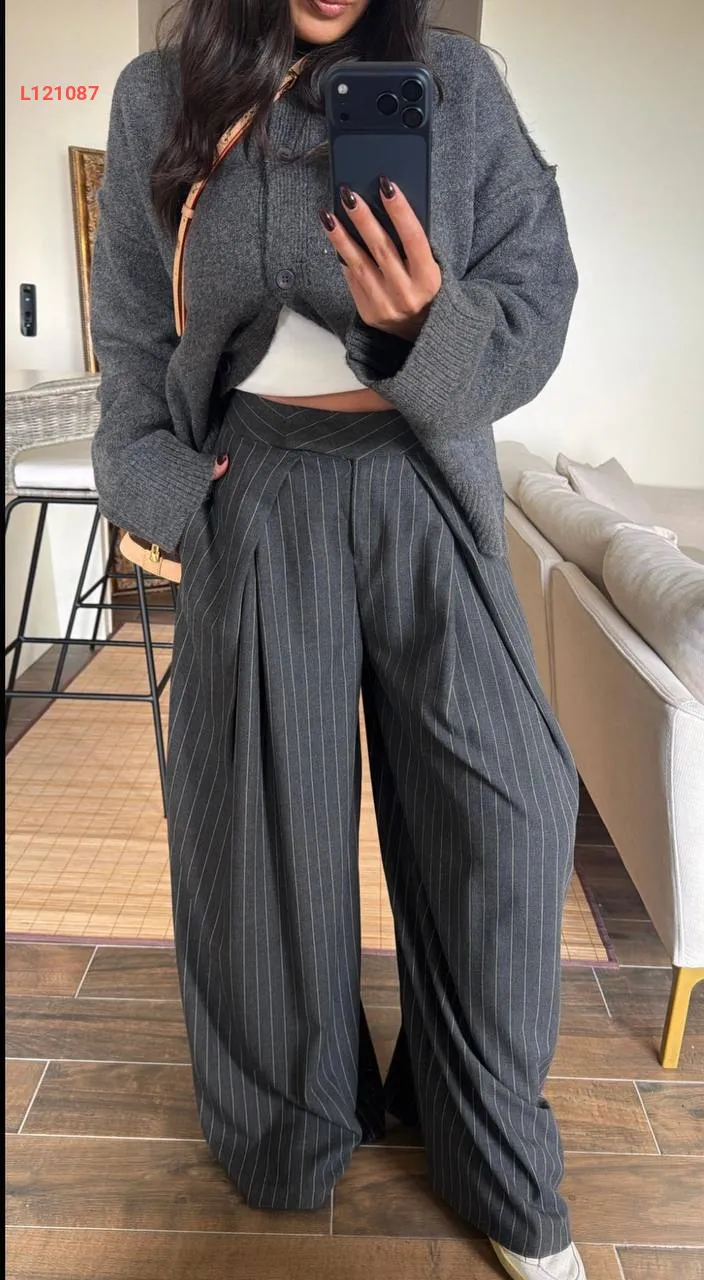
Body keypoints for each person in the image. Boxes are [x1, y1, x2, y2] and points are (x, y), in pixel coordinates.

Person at [90, 1, 585, 1276]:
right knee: (264, 837)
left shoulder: (454, 86)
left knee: (508, 812)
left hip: (426, 480)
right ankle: (288, 1134)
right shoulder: (161, 97)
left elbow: (537, 295)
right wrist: (176, 498)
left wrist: (429, 323)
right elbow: (133, 341)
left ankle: (493, 1152)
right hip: (253, 486)